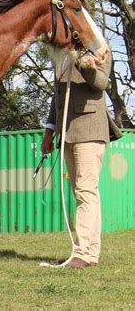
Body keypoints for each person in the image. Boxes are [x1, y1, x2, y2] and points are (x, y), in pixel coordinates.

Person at [41, 47, 122, 269]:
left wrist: (84, 63)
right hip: (66, 132)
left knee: (86, 190)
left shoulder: (100, 48)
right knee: (82, 192)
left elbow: (101, 83)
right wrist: (49, 131)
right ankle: (89, 252)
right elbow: (58, 95)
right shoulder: (61, 53)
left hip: (90, 129)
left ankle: (84, 252)